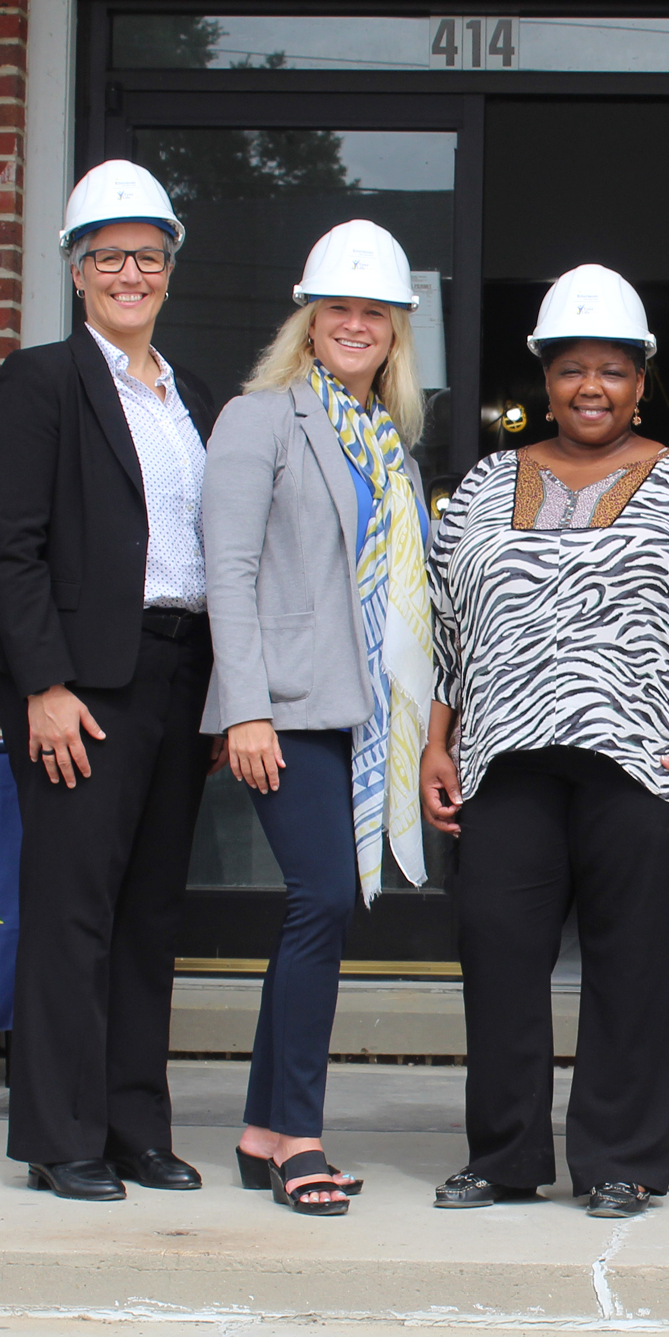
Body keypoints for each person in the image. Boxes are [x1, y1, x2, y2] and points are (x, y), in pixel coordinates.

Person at [421, 267, 669, 1221]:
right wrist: (436, 745)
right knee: (496, 951)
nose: (592, 388)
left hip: (646, 764)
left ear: (639, 379)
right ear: (544, 375)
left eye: (612, 371)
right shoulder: (486, 487)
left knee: (628, 961)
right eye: (573, 368)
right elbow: (449, 631)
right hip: (504, 762)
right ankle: (501, 1157)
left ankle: (621, 1159)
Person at [0, 159, 222, 1202]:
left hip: (174, 668)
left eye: (149, 257)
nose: (131, 273)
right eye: (110, 257)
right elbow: (13, 546)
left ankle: (133, 1126)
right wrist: (44, 682)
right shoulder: (41, 381)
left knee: (150, 913)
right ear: (78, 272)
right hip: (80, 683)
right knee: (73, 909)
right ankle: (60, 1135)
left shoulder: (191, 392)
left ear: (170, 269)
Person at [197, 220, 438, 1218]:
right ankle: (298, 1134)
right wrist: (243, 707)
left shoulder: (393, 447)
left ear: (393, 333)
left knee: (321, 908)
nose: (354, 325)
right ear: (309, 319)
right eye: (337, 308)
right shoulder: (260, 421)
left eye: (372, 313)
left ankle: (262, 1128)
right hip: (286, 708)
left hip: (362, 713)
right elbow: (229, 570)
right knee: (323, 901)